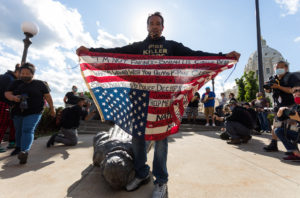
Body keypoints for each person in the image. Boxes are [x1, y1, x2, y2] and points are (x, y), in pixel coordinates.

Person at [76, 12, 240, 198]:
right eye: (151, 23)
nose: (154, 26)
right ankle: (141, 173)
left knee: (161, 141)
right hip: (139, 100)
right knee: (138, 138)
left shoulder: (172, 46)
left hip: (163, 102)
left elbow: (196, 56)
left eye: (158, 23)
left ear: (163, 27)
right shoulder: (138, 47)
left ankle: (161, 181)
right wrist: (90, 52)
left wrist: (222, 57)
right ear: (147, 27)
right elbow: (113, 53)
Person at [5, 63, 56, 164]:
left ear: (32, 74)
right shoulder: (15, 83)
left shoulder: (40, 84)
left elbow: (48, 97)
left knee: (27, 129)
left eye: (27, 73)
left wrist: (52, 109)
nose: (24, 75)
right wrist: (14, 98)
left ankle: (24, 151)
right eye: (22, 73)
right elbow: (7, 93)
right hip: (18, 111)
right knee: (18, 130)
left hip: (35, 111)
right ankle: (18, 147)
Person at [263, 61, 298, 152]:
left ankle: (294, 148)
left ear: (285, 68)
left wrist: (278, 87)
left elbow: (292, 90)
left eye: (280, 67)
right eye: (276, 67)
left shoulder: (291, 77)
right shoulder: (273, 78)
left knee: (291, 125)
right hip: (277, 105)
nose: (278, 69)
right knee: (275, 125)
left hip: (290, 104)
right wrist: (267, 88)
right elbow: (269, 91)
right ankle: (273, 144)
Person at [274, 83, 300, 160]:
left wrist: (298, 118)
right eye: (293, 93)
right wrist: (280, 114)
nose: (295, 94)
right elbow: (281, 119)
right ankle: (295, 152)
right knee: (279, 130)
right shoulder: (295, 107)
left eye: (297, 91)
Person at [0, 64, 20, 152]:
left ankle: (12, 142)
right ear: (17, 71)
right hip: (3, 103)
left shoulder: (5, 76)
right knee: (2, 124)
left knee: (8, 123)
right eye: (22, 73)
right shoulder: (9, 79)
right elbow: (8, 93)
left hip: (5, 103)